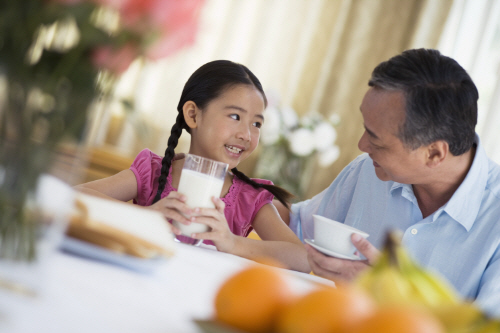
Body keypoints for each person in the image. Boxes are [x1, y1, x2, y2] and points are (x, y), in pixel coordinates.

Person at [279, 48, 500, 316]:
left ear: (434, 153)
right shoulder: (368, 171)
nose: (362, 145)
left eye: (376, 139)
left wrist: (384, 293)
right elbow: (296, 229)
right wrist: (235, 188)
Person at [75, 60, 310, 273]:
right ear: (193, 115)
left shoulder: (250, 198)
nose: (247, 134)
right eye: (235, 117)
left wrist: (231, 242)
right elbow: (76, 196)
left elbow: (301, 258)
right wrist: (145, 215)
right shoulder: (154, 172)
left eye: (256, 123)